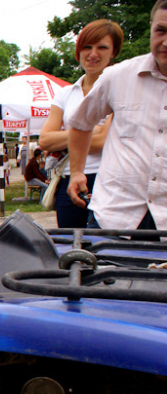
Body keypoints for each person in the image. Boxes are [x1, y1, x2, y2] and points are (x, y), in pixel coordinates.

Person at [68, 0, 167, 235]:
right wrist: (76, 172)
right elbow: (81, 123)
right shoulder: (118, 76)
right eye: (161, 30)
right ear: (151, 27)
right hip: (115, 217)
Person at [39, 19, 122, 228]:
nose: (93, 54)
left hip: (108, 180)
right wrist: (87, 130)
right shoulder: (65, 94)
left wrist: (70, 134)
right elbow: (45, 140)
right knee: (70, 248)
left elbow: (101, 143)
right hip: (69, 179)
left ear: (113, 52)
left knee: (103, 251)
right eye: (87, 47)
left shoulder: (120, 90)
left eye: (102, 47)